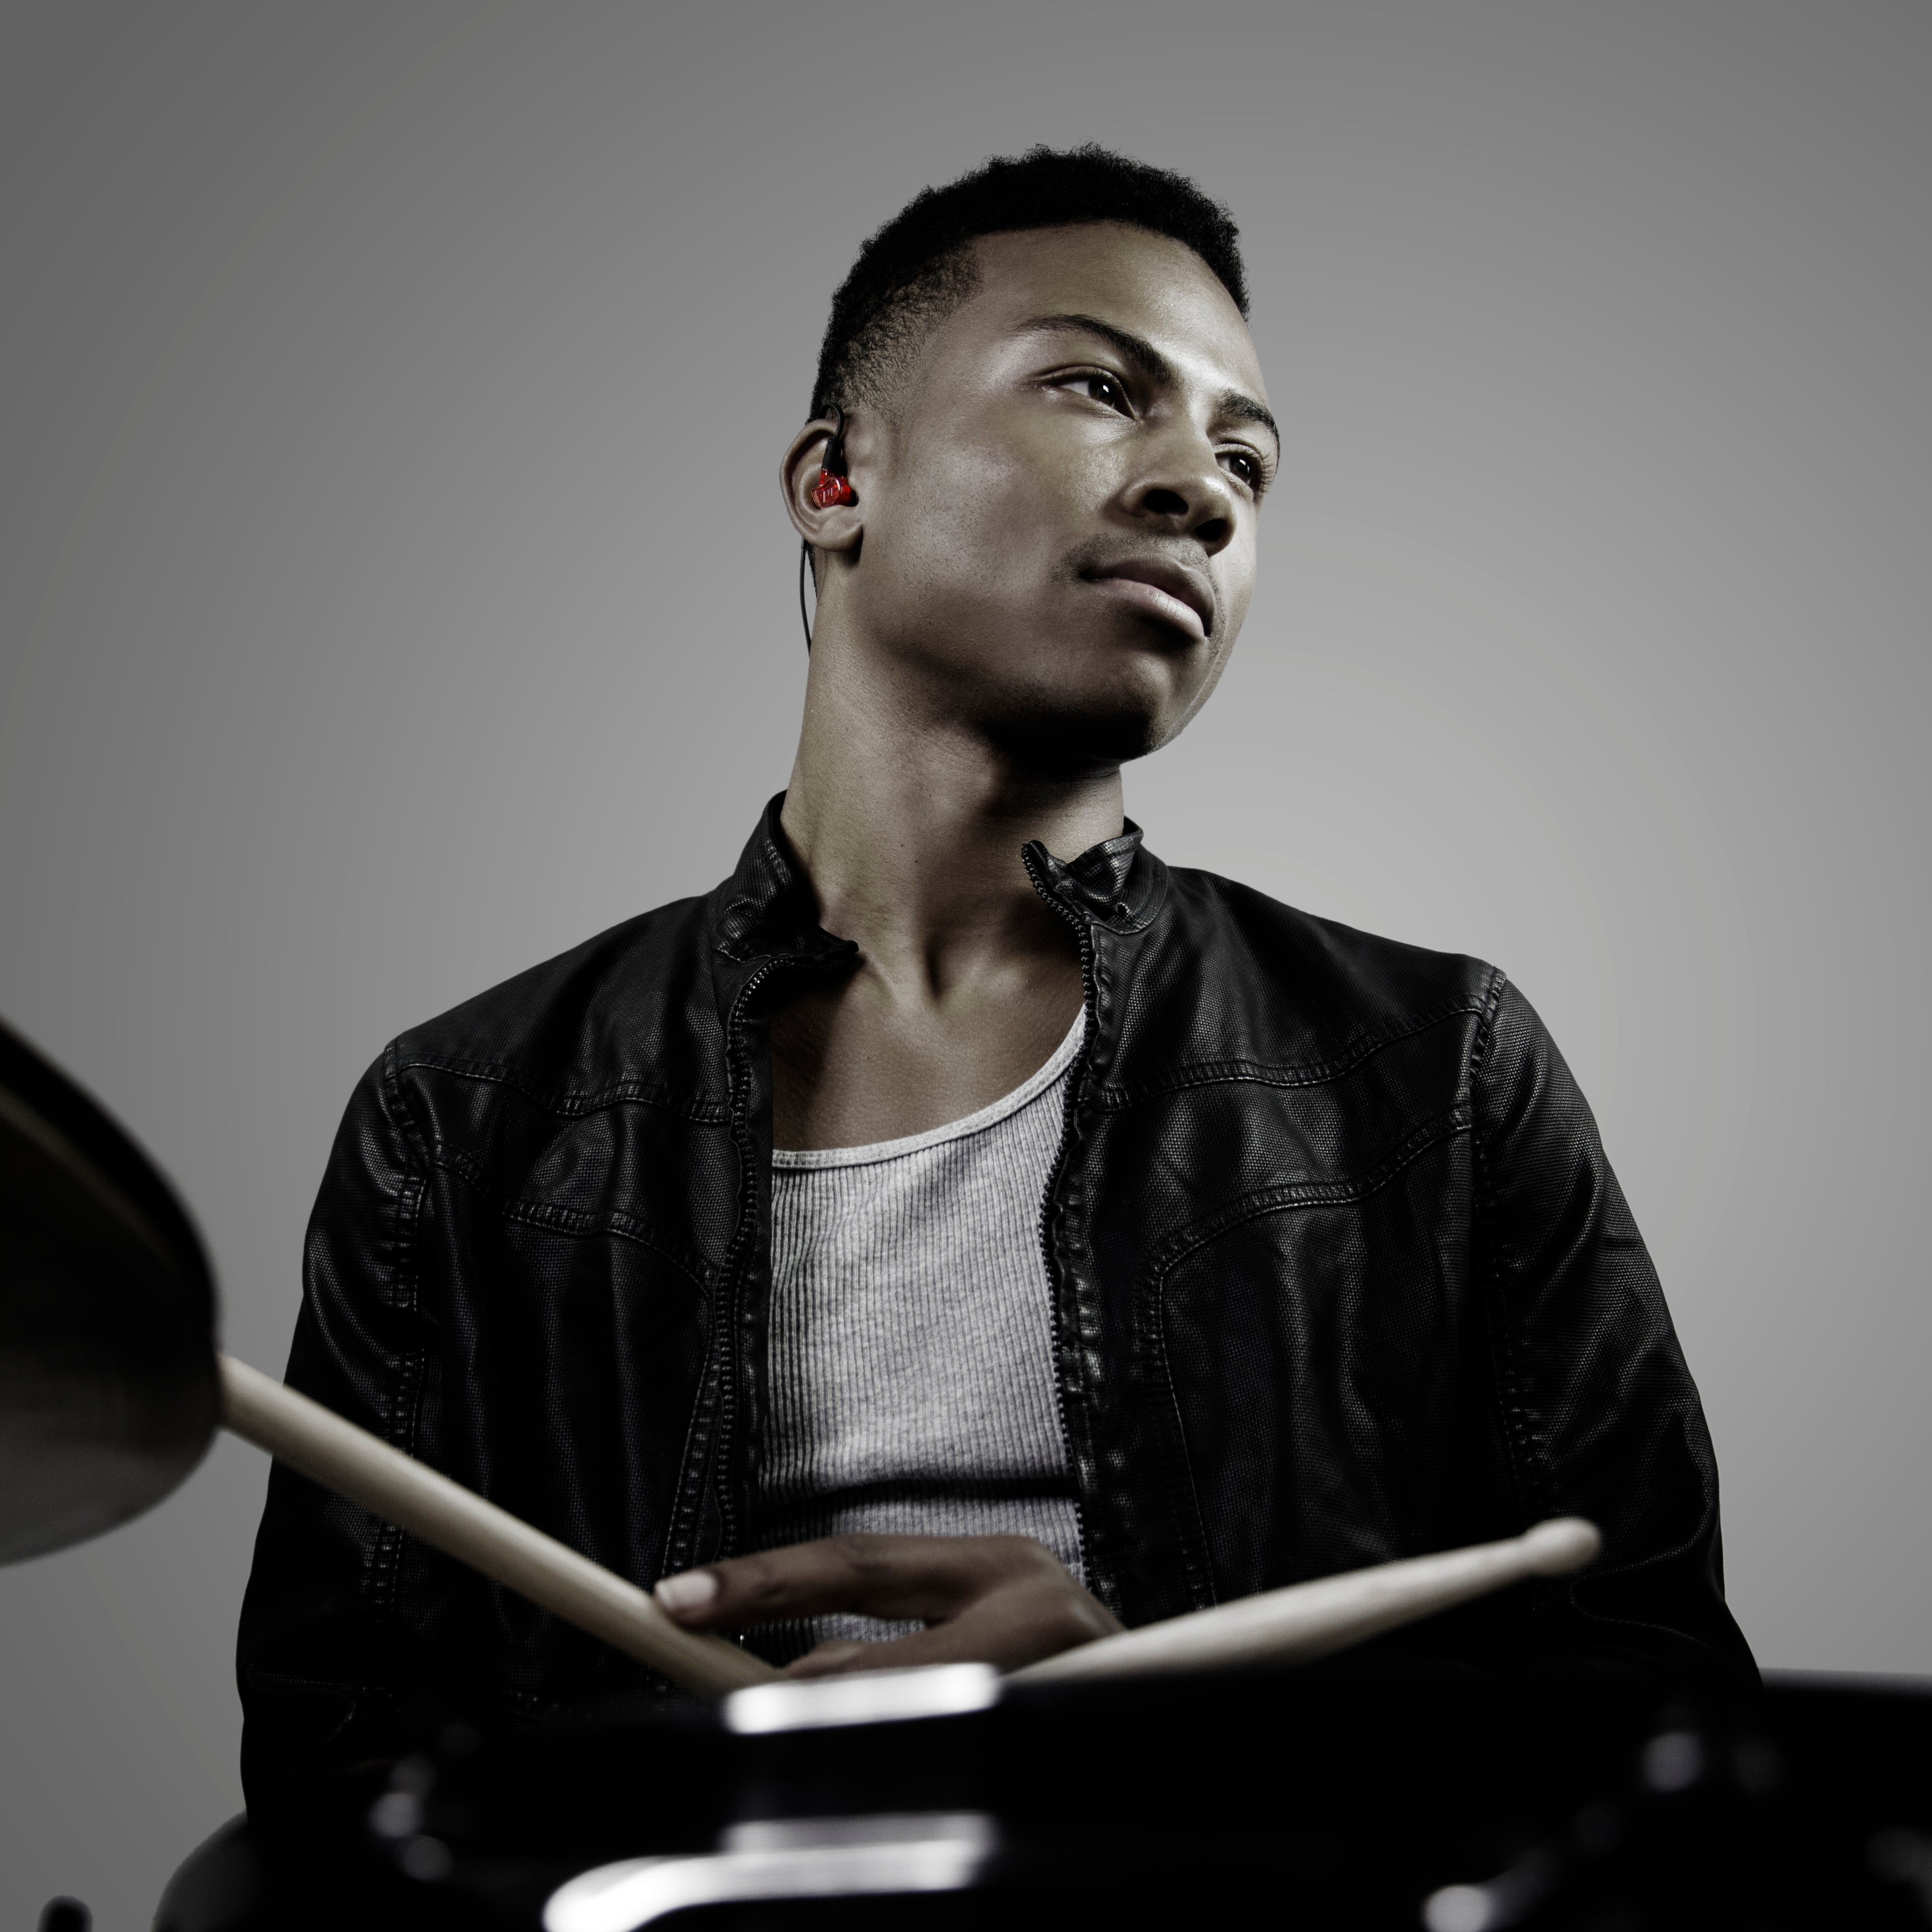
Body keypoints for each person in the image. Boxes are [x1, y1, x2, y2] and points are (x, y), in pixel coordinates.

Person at [236, 145, 1753, 1809]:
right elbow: (343, 1788)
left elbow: (1659, 1729)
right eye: (1102, 388)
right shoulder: (469, 1118)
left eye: (1247, 456)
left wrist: (1163, 1749)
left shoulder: (1434, 1070)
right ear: (836, 484)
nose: (1207, 488)